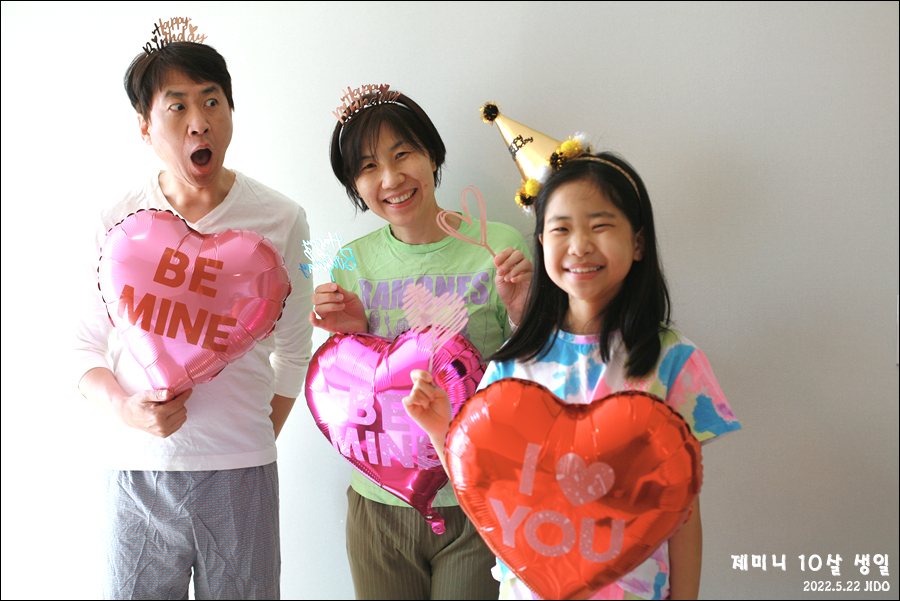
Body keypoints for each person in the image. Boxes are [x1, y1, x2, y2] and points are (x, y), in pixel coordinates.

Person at [403, 147, 742, 600]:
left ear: (638, 242)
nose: (580, 245)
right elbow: (486, 492)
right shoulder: (513, 363)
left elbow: (682, 510)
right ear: (542, 242)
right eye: (561, 228)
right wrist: (440, 430)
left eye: (600, 225)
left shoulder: (674, 361)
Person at [74, 40, 313, 600]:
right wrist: (126, 410)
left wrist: (250, 437)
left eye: (211, 102)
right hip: (136, 474)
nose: (199, 121)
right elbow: (82, 347)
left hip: (243, 476)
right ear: (145, 126)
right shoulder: (114, 220)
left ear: (231, 111)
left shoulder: (283, 218)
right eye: (177, 105)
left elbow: (294, 350)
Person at [310, 88, 533, 599]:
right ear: (354, 184)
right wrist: (352, 332)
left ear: (432, 155)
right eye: (368, 167)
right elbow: (355, 390)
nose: (390, 178)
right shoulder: (350, 261)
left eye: (402, 153)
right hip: (379, 500)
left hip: (475, 493)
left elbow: (534, 372)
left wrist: (522, 311)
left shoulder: (497, 245)